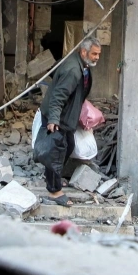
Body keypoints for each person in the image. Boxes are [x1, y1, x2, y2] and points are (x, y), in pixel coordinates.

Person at [36, 37, 101, 205]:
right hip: (58, 117)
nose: (97, 57)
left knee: (68, 146)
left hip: (66, 115)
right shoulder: (73, 70)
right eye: (94, 54)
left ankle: (53, 177)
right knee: (55, 151)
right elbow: (58, 97)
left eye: (98, 54)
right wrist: (53, 119)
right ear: (84, 52)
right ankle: (55, 191)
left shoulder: (81, 64)